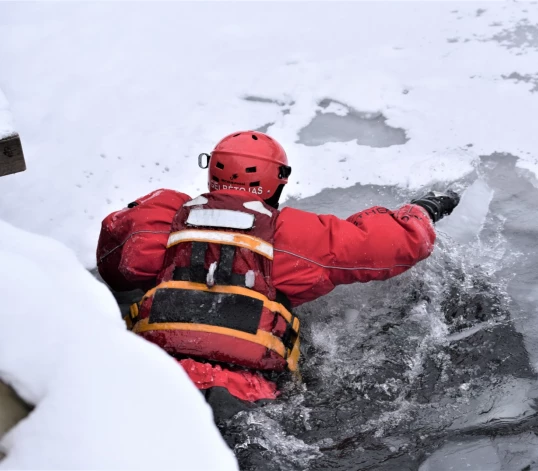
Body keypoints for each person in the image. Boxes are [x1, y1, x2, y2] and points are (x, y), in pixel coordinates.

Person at [96, 130, 459, 424]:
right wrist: (422, 210)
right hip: (247, 397)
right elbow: (394, 245)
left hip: (152, 377)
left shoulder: (154, 221)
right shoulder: (294, 237)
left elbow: (113, 257)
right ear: (277, 182)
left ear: (214, 171)